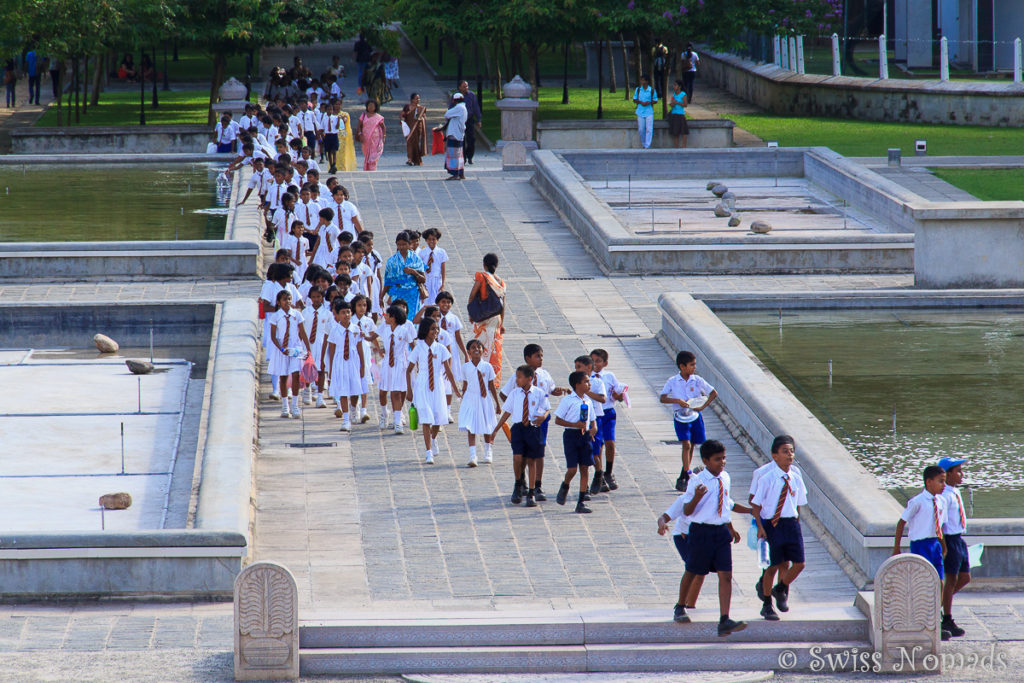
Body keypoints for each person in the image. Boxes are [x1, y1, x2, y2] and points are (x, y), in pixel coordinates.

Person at [672, 440, 751, 636]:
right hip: (701, 531)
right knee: (693, 570)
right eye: (717, 459)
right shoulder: (697, 481)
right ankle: (680, 605)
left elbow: (725, 505)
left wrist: (731, 526)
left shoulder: (725, 477)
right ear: (706, 461)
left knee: (726, 575)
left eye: (723, 458)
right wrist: (697, 497)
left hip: (720, 533)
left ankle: (724, 619)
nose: (722, 462)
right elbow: (687, 511)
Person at [750, 436, 808, 621]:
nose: (789, 455)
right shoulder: (766, 477)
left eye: (791, 451)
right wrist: (760, 527)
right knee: (772, 566)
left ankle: (780, 588)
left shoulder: (796, 477)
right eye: (785, 451)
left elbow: (798, 503)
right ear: (775, 455)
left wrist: (797, 521)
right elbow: (756, 504)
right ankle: (767, 604)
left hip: (791, 523)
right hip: (772, 524)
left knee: (798, 564)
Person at [892, 464, 950, 638]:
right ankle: (923, 620)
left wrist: (943, 545)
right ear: (929, 482)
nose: (943, 485)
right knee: (923, 582)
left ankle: (935, 618)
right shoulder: (917, 502)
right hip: (920, 545)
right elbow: (902, 522)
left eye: (944, 481)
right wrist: (896, 548)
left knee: (939, 582)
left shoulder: (942, 501)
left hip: (935, 545)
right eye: (940, 482)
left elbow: (940, 525)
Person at [491, 365, 551, 508]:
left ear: (529, 379)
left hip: (533, 428)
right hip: (518, 428)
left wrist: (543, 416)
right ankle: (518, 483)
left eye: (519, 377)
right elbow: (507, 412)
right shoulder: (514, 394)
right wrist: (496, 429)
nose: (516, 379)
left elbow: (547, 408)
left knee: (531, 460)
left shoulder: (539, 393)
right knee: (517, 457)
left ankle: (531, 492)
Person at [660, 350, 717, 492]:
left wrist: (702, 406)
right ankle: (688, 473)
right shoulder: (673, 381)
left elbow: (713, 393)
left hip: (695, 415)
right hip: (680, 416)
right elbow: (662, 397)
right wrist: (677, 400)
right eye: (691, 365)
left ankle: (683, 474)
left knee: (691, 445)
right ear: (682, 366)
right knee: (685, 444)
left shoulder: (697, 380)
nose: (694, 368)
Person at [407, 317, 461, 463]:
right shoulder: (419, 348)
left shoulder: (441, 348)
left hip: (437, 384)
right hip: (423, 384)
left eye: (437, 329)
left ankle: (433, 438)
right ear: (425, 330)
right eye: (432, 329)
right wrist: (409, 390)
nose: (436, 331)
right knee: (426, 418)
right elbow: (409, 369)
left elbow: (448, 371)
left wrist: (456, 389)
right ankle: (428, 451)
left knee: (438, 418)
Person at [553, 370, 598, 514]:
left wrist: (594, 427)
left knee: (585, 468)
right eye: (586, 381)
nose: (589, 384)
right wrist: (574, 425)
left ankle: (581, 500)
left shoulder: (588, 401)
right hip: (571, 436)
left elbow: (592, 418)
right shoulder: (568, 400)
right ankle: (565, 485)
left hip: (585, 436)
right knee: (572, 469)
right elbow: (558, 420)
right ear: (577, 384)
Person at [937, 456, 970, 638]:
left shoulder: (954, 492)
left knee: (965, 577)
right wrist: (944, 546)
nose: (961, 474)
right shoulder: (944, 495)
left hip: (959, 538)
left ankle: (941, 604)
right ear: (947, 474)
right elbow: (939, 523)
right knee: (950, 579)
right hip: (949, 539)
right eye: (957, 471)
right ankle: (946, 617)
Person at [658, 489, 705, 612]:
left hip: (701, 537)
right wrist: (661, 525)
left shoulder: (712, 497)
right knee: (694, 569)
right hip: (683, 536)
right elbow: (664, 517)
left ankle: (690, 605)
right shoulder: (684, 499)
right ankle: (684, 604)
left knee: (701, 571)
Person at [269, 290, 312, 419]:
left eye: (289, 299)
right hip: (282, 348)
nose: (287, 302)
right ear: (278, 302)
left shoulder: (297, 315)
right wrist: (281, 348)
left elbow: (302, 332)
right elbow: (273, 336)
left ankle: (294, 405)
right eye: (284, 299)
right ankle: (284, 406)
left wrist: (307, 349)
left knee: (295, 374)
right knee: (283, 376)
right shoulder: (276, 316)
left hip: (295, 348)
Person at [459, 339, 500, 467]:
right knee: (471, 426)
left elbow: (491, 385)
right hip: (471, 399)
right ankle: (473, 455)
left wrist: (497, 403)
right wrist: (462, 398)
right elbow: (465, 384)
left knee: (487, 425)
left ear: (483, 350)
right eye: (473, 347)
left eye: (479, 347)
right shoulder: (465, 367)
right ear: (469, 352)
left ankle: (488, 451)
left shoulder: (487, 367)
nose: (476, 349)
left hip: (484, 399)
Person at [327, 299, 366, 432]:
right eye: (343, 313)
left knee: (355, 390)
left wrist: (362, 366)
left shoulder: (356, 329)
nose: (346, 315)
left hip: (353, 361)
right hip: (340, 362)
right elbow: (331, 350)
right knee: (343, 391)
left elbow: (360, 348)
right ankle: (345, 419)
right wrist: (330, 368)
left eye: (348, 312)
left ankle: (354, 408)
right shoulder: (334, 330)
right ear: (337, 315)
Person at [468, 253, 506, 384]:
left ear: (484, 264)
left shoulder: (482, 276)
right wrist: (502, 324)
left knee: (477, 345)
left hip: (483, 318)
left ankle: (476, 374)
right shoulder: (501, 282)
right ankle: (491, 378)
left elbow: (472, 295)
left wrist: (471, 313)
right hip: (496, 319)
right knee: (493, 348)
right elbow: (502, 305)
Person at [590, 348, 624, 492]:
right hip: (596, 414)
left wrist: (618, 395)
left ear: (605, 363)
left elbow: (620, 396)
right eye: (593, 361)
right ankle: (600, 475)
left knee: (610, 442)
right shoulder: (588, 378)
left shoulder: (609, 376)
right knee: (598, 446)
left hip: (608, 413)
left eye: (598, 361)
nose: (595, 364)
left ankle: (609, 472)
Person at [376, 304, 413, 434]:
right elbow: (373, 336)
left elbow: (412, 345)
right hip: (387, 363)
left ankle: (398, 422)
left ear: (394, 318)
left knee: (396, 392)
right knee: (382, 391)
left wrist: (414, 362)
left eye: (388, 315)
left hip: (400, 363)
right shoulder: (385, 329)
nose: (385, 317)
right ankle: (384, 413)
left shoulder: (404, 330)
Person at [383, 231, 426, 315]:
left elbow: (423, 279)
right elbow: (387, 281)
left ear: (409, 244)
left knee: (412, 319)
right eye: (399, 244)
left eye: (404, 244)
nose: (401, 247)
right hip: (397, 294)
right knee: (398, 318)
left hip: (413, 295)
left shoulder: (416, 259)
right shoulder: (392, 261)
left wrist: (413, 272)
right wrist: (381, 297)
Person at [303, 286, 333, 408]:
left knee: (321, 370)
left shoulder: (327, 314)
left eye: (318, 297)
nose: (316, 299)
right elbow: (302, 330)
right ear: (310, 298)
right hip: (308, 344)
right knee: (308, 369)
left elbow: (329, 332)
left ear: (322, 298)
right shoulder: (305, 312)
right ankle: (308, 390)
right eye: (314, 297)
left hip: (322, 344)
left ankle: (320, 396)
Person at [418, 228, 448, 306]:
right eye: (429, 239)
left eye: (433, 239)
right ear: (426, 240)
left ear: (437, 240)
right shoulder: (422, 253)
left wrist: (443, 284)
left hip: (437, 280)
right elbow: (419, 268)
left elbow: (443, 269)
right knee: (425, 302)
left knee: (437, 301)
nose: (431, 241)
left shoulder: (441, 252)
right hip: (426, 280)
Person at [443, 93, 468, 180]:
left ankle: (455, 173)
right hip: (459, 133)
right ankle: (460, 172)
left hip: (455, 134)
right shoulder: (463, 107)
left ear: (455, 100)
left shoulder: (458, 108)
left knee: (454, 154)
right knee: (459, 154)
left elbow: (447, 114)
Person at [356, 100, 386, 171]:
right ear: (367, 106)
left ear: (375, 107)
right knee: (367, 154)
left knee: (374, 156)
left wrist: (384, 136)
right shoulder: (363, 115)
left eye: (372, 106)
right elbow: (359, 126)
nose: (371, 107)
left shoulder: (378, 117)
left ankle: (372, 169)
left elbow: (383, 127)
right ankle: (367, 168)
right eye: (369, 105)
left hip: (376, 139)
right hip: (366, 139)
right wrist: (360, 134)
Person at [458, 81, 482, 164]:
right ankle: (463, 157)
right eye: (464, 86)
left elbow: (476, 107)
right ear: (460, 87)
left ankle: (470, 156)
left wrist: (479, 119)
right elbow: (451, 108)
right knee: (461, 139)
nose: (466, 88)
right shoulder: (456, 96)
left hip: (469, 119)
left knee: (471, 139)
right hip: (459, 121)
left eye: (467, 86)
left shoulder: (471, 95)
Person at [401, 93, 427, 166]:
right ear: (412, 99)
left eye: (418, 98)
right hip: (409, 127)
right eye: (416, 98)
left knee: (415, 143)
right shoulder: (407, 107)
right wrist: (403, 123)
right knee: (409, 142)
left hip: (417, 128)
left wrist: (421, 118)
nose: (418, 100)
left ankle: (415, 159)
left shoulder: (421, 109)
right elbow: (403, 115)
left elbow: (424, 117)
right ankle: (410, 159)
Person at [632, 75, 658, 150]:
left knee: (649, 129)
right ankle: (643, 143)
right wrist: (640, 102)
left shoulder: (651, 90)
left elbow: (655, 100)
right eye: (641, 80)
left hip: (649, 111)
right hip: (640, 111)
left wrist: (649, 103)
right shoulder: (638, 89)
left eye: (643, 80)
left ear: (647, 81)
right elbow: (634, 99)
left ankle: (647, 145)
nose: (642, 82)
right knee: (641, 129)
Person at [668, 80, 689, 148]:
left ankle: (684, 145)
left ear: (679, 86)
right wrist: (672, 104)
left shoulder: (683, 94)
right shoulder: (674, 94)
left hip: (680, 114)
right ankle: (676, 146)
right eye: (674, 85)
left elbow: (685, 104)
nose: (674, 87)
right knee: (675, 132)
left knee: (683, 131)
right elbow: (672, 102)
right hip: (674, 113)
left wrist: (677, 103)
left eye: (675, 85)